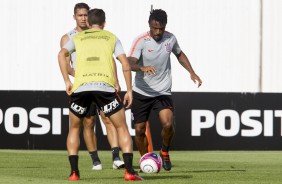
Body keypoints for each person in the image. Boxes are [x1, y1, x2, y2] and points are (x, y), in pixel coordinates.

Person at [58, 8, 143, 181]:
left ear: (88, 22)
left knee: (74, 128)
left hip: (81, 88)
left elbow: (61, 54)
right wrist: (128, 90)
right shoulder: (111, 37)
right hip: (104, 87)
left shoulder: (77, 37)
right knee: (121, 127)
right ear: (104, 23)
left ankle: (74, 173)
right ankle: (129, 172)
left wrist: (67, 81)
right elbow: (125, 64)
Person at [127, 9, 202, 171]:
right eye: (154, 28)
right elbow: (129, 62)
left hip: (163, 91)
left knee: (168, 125)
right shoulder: (141, 40)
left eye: (160, 28)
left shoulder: (170, 38)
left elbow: (180, 55)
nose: (157, 32)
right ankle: (146, 160)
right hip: (141, 92)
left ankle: (164, 152)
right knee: (139, 130)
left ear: (165, 26)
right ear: (149, 25)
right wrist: (142, 67)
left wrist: (192, 72)